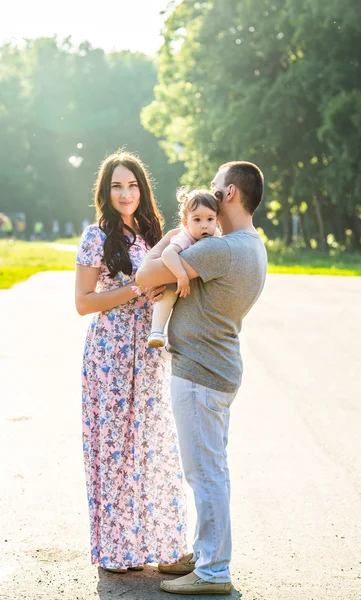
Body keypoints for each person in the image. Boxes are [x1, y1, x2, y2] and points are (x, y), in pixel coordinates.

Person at [136, 160, 267, 595]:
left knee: (205, 474)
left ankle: (213, 571)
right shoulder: (252, 245)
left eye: (214, 187)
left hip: (199, 374)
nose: (209, 195)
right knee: (213, 470)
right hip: (218, 370)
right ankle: (207, 552)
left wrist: (170, 243)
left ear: (230, 193)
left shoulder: (220, 249)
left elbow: (143, 276)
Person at [75, 151, 187, 573]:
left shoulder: (152, 233)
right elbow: (83, 303)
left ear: (143, 189)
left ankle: (160, 545)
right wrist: (138, 290)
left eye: (133, 185)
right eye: (117, 186)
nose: (126, 193)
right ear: (106, 192)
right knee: (115, 449)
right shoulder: (95, 236)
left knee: (150, 445)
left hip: (151, 351)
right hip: (111, 354)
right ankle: (117, 551)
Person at [147, 188, 220, 348]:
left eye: (210, 219)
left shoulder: (216, 236)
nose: (204, 226)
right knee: (169, 290)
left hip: (197, 286)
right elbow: (168, 254)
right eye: (197, 220)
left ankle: (171, 345)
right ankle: (157, 331)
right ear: (186, 222)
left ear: (217, 220)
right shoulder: (185, 236)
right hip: (175, 277)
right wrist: (181, 276)